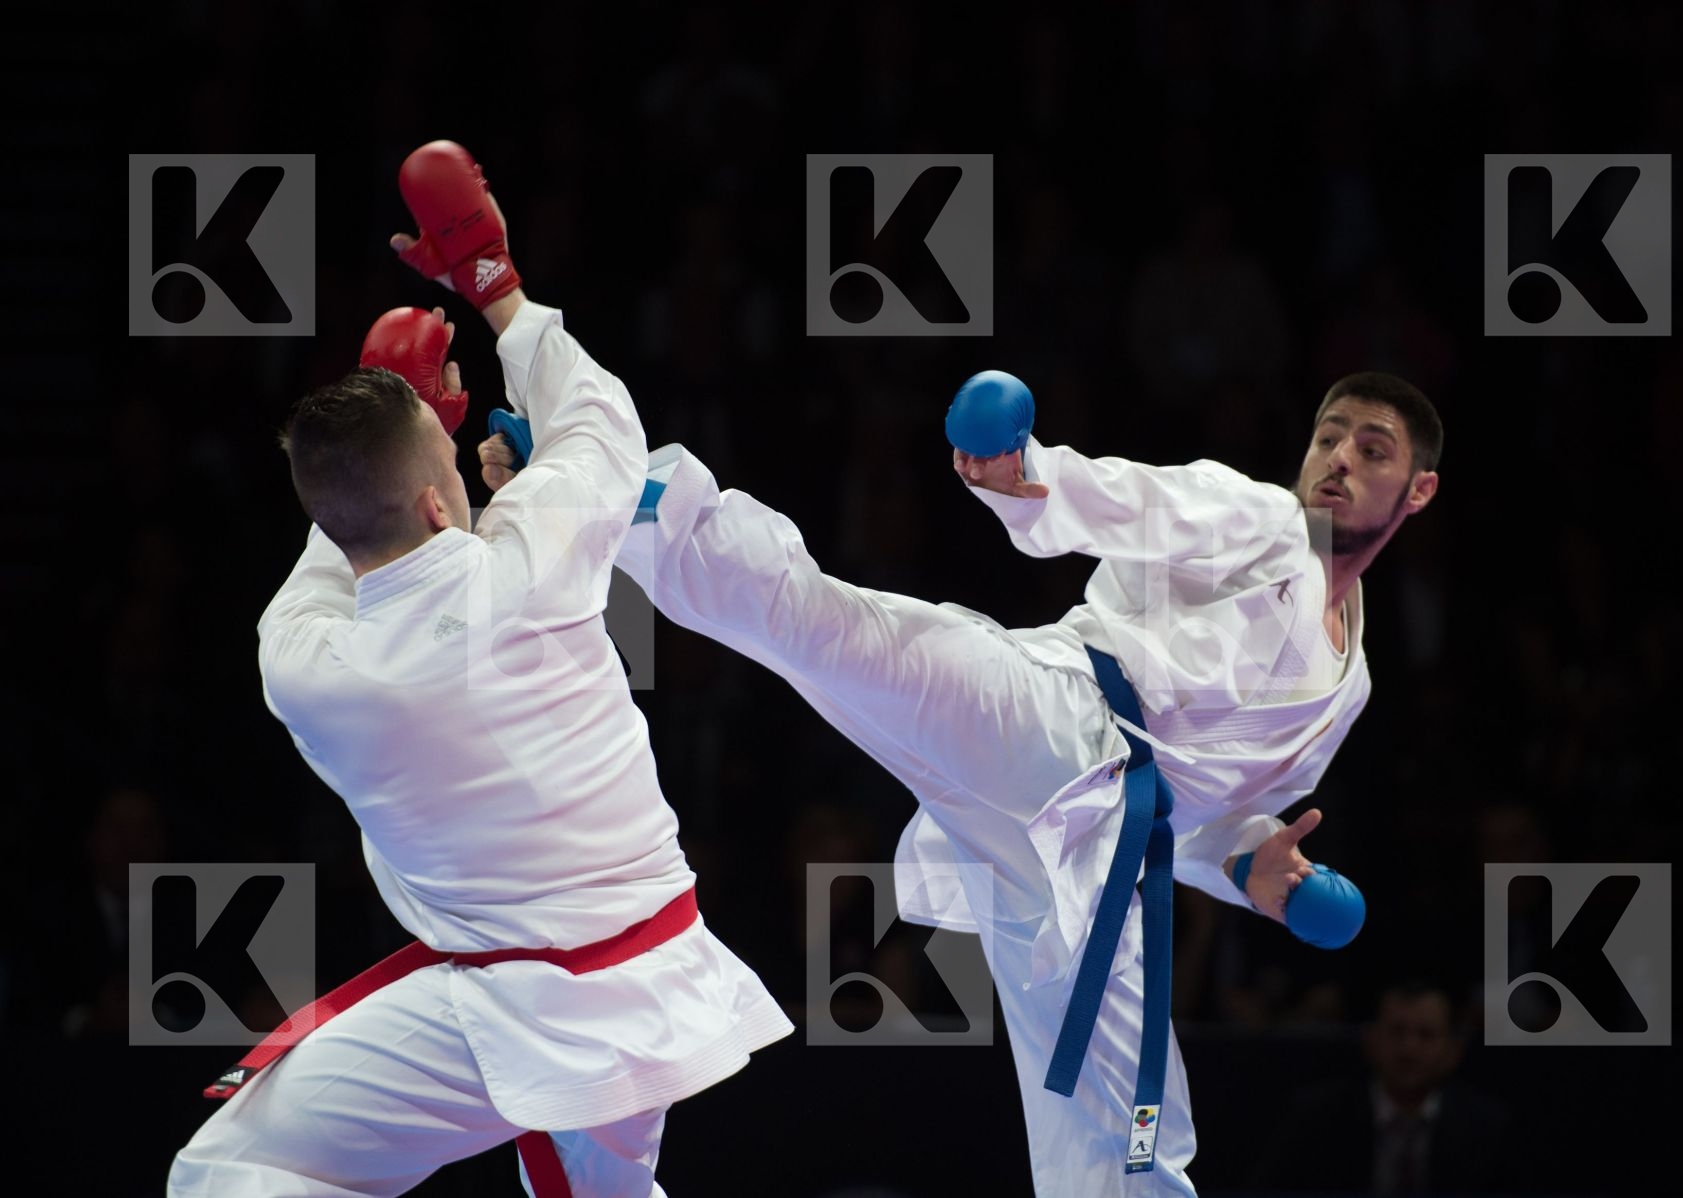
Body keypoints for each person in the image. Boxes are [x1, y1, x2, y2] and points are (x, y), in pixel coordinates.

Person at [486, 357, 1440, 1194]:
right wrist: (1031, 476)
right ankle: (596, 486)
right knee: (832, 630)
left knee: (1122, 1137)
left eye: (1372, 448)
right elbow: (1152, 500)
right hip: (1051, 716)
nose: (1340, 460)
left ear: (1418, 491)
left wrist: (1247, 868)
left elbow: (1202, 809)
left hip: (1093, 862)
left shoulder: (1345, 690)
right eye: (1328, 437)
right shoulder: (1268, 523)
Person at [168, 141, 790, 1198]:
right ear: (430, 497)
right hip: (645, 973)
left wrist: (395, 417)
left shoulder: (302, 664)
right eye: (444, 454)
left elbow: (345, 536)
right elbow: (600, 420)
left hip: (524, 1008)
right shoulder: (538, 556)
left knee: (234, 1168)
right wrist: (493, 283)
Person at [1255, 979, 1518, 1193]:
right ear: (1371, 1040)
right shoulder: (1317, 1119)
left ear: (1453, 1051)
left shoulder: (1487, 1129)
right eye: (1397, 1031)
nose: (1409, 1048)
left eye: (1425, 1035)